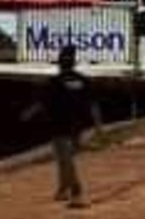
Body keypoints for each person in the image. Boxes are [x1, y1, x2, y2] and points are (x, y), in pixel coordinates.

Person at [24, 44, 102, 208]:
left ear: (60, 63)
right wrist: (98, 126)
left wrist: (27, 114)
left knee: (65, 160)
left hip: (59, 126)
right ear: (74, 63)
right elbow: (93, 104)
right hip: (78, 126)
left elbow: (41, 103)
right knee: (65, 159)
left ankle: (77, 191)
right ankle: (62, 190)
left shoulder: (54, 82)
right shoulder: (83, 81)